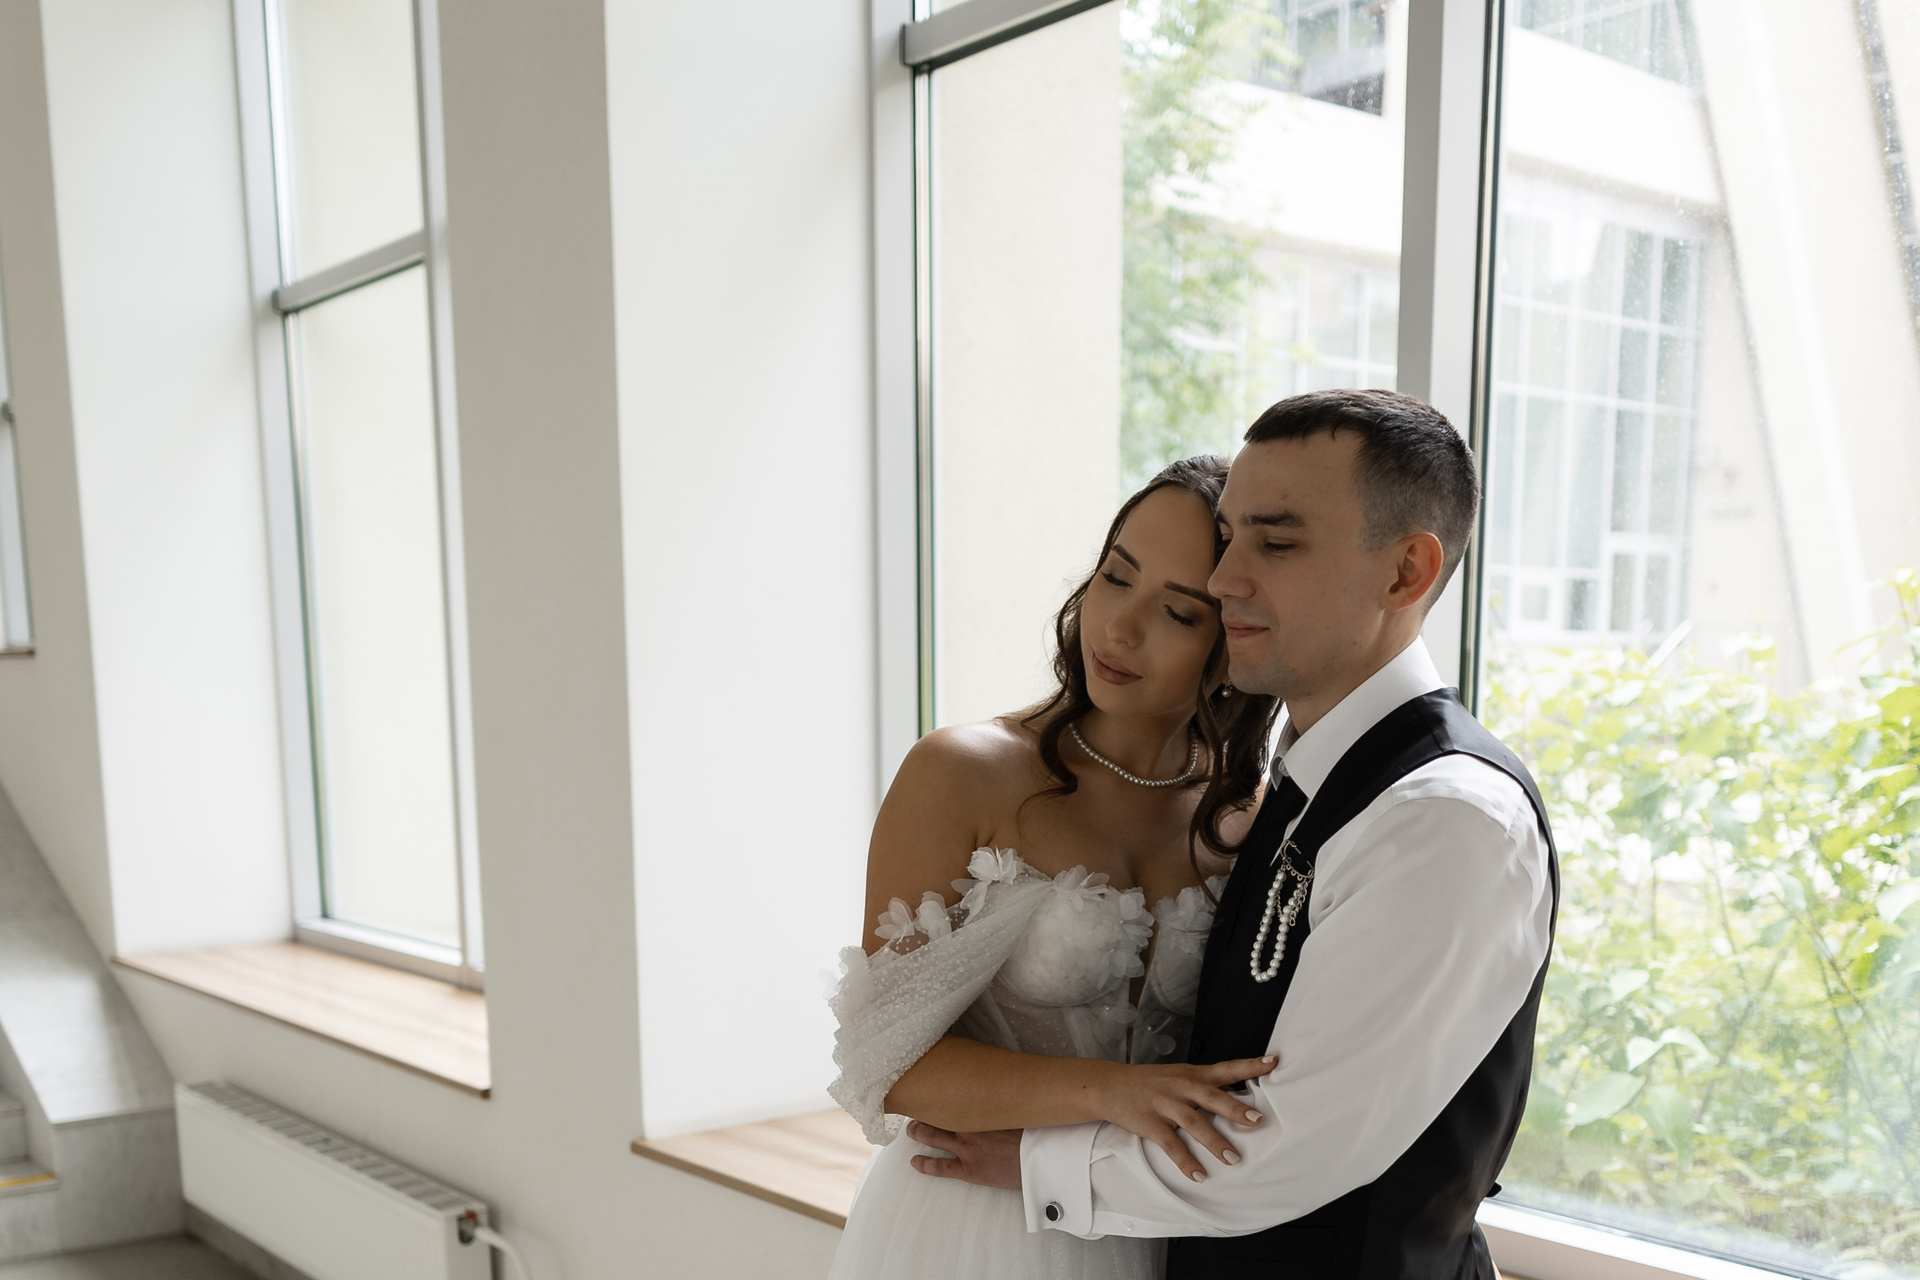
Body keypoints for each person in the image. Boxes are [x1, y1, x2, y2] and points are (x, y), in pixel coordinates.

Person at [911, 389, 1560, 1280]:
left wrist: (1035, 1166)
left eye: (1276, 544)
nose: (1224, 581)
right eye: (1229, 538)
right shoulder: (1294, 777)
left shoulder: (1444, 819)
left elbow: (1287, 1143)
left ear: (1405, 573)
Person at [826, 456, 1290, 1280]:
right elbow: (885, 1064)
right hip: (972, 1225)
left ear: (1232, 645)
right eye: (1116, 577)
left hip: (1162, 1221)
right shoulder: (961, 772)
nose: (1119, 628)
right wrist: (1110, 1092)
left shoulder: (1250, 818)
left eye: (1177, 611)